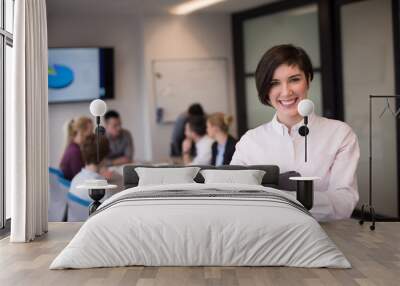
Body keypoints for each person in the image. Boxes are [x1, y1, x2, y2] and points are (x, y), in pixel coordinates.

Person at [230, 44, 360, 221]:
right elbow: (234, 198)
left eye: (294, 79)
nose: (286, 91)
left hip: (324, 239)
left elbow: (343, 203)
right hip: (263, 239)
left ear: (308, 79)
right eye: (274, 83)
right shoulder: (250, 141)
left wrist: (276, 198)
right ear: (265, 90)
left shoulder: (340, 134)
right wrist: (301, 199)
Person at [68, 134, 110, 221]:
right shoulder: (101, 187)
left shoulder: (76, 179)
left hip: (74, 228)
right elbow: (107, 216)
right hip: (91, 230)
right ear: (103, 157)